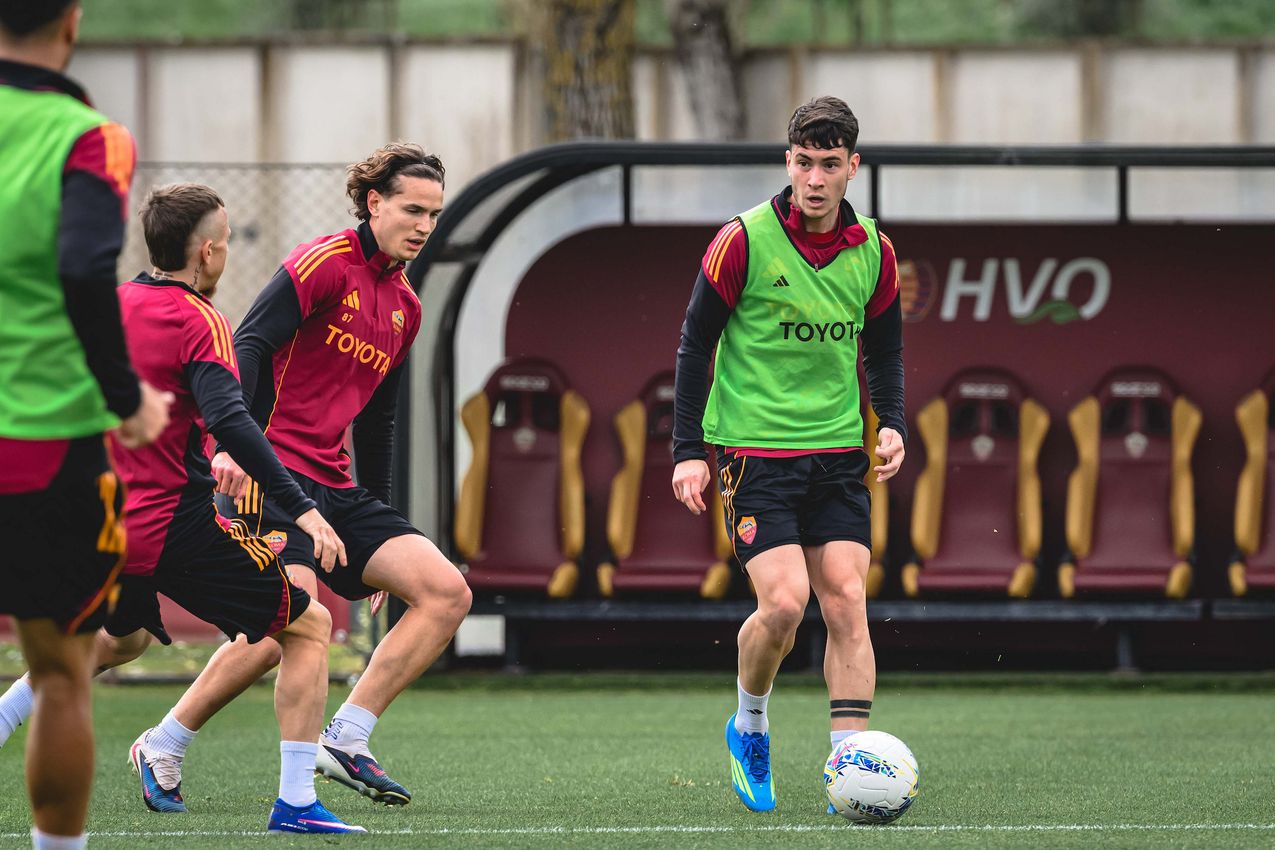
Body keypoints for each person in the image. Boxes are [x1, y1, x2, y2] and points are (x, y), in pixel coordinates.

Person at [0, 184, 367, 834]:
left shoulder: (111, 306)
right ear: (207, 252)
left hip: (99, 518)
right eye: (223, 240)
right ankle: (296, 803)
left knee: (124, 639)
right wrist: (303, 509)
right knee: (308, 628)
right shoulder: (199, 320)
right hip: (171, 522)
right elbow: (231, 419)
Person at [137, 142, 472, 807]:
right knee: (287, 628)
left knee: (446, 592)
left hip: (337, 486)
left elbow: (378, 419)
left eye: (434, 214)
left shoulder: (406, 306)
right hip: (270, 476)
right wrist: (231, 448)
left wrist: (380, 521)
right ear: (374, 204)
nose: (424, 226)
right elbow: (251, 343)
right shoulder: (323, 262)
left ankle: (347, 736)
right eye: (413, 210)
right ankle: (166, 742)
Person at [671, 95, 906, 813]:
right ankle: (749, 725)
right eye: (803, 163)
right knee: (783, 605)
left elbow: (884, 349)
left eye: (829, 165)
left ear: (852, 167)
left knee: (846, 598)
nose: (814, 179)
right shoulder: (741, 240)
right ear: (788, 161)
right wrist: (688, 450)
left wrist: (891, 423)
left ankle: (848, 767)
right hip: (754, 452)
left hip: (836, 452)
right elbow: (694, 345)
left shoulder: (875, 250)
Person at [0, 2, 171, 847]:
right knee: (63, 672)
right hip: (43, 443)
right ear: (71, 22)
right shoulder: (87, 137)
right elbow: (81, 265)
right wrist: (126, 395)